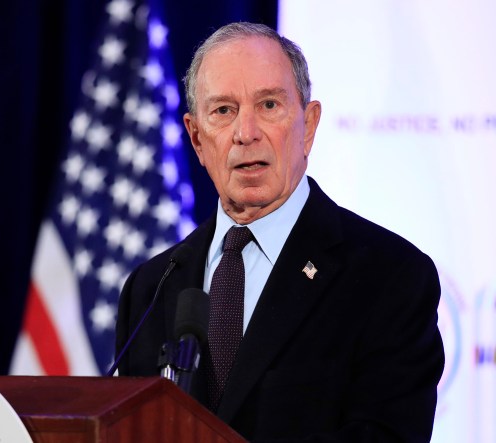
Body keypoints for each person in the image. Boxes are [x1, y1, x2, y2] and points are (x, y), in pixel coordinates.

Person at [115, 22, 444, 442]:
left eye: (269, 105)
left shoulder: (390, 277)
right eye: (223, 111)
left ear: (308, 126)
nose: (246, 133)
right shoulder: (149, 289)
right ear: (197, 139)